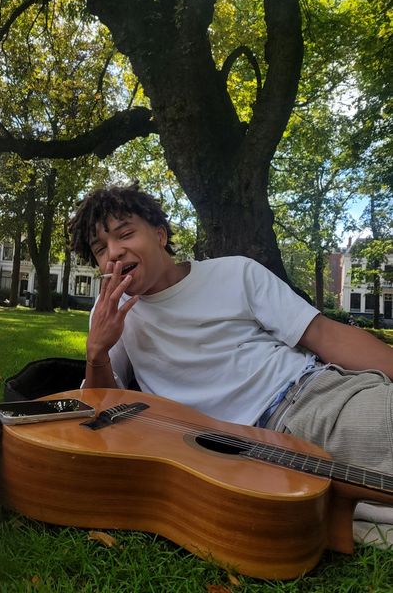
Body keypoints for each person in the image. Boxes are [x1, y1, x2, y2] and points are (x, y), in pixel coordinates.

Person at [69, 183, 393, 474]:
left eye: (125, 234)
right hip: (244, 449)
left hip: (310, 398)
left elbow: (324, 334)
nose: (113, 252)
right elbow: (99, 411)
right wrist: (97, 352)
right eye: (100, 248)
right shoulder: (110, 313)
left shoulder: (236, 272)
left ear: (159, 235)